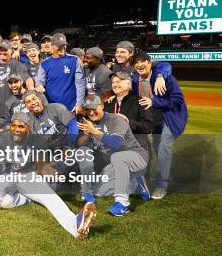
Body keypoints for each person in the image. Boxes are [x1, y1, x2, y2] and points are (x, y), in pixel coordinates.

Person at [0, 111, 97, 239]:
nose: (17, 129)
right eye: (14, 125)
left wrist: (44, 168)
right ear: (10, 126)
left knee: (49, 197)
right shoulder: (1, 138)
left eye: (21, 126)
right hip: (5, 175)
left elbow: (40, 162)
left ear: (28, 129)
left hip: (26, 176)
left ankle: (76, 225)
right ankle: (26, 198)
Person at [77, 95, 150, 216]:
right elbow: (80, 144)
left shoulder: (116, 120)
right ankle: (136, 183)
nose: (91, 112)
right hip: (116, 164)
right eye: (88, 109)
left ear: (101, 106)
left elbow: (115, 144)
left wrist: (94, 131)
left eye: (94, 108)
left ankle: (122, 202)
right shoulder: (89, 123)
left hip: (137, 157)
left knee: (117, 157)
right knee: (98, 192)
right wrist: (87, 135)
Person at [132, 52, 187, 199]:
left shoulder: (164, 77)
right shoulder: (135, 78)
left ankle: (162, 186)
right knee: (158, 148)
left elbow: (178, 99)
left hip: (170, 118)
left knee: (164, 147)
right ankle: (169, 175)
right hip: (155, 119)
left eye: (143, 61)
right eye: (136, 62)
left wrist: (155, 101)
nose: (139, 64)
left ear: (150, 63)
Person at [104, 71, 153, 154]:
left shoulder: (140, 101)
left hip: (136, 150)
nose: (114, 84)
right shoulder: (109, 103)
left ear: (128, 84)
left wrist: (128, 122)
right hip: (113, 151)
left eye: (118, 81)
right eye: (113, 82)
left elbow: (149, 127)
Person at [35, 33, 86, 113]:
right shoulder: (44, 64)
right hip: (52, 108)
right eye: (59, 45)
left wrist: (79, 103)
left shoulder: (74, 60)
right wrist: (39, 86)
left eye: (64, 45)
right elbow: (40, 81)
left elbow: (81, 84)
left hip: (72, 108)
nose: (62, 48)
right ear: (52, 46)